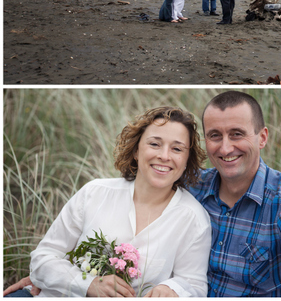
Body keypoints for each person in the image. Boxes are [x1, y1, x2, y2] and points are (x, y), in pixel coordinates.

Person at [4, 107, 211, 298]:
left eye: (177, 149)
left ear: (187, 160)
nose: (164, 156)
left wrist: (172, 288)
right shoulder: (95, 193)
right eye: (154, 144)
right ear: (137, 151)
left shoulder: (193, 218)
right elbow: (43, 259)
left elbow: (194, 284)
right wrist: (88, 283)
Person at [189, 90, 281, 296]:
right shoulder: (192, 186)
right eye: (215, 136)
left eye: (236, 134)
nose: (225, 148)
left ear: (262, 138)